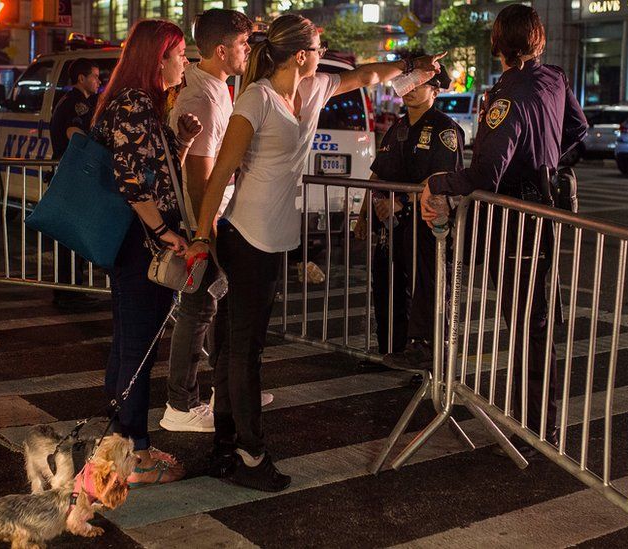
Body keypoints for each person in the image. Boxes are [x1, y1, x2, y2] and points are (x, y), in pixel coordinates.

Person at [187, 13, 444, 491]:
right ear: (300, 54)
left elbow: (368, 76)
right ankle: (249, 454)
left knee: (235, 348)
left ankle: (225, 448)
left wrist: (411, 64)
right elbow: (221, 171)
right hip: (244, 237)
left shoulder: (314, 88)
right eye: (318, 43)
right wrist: (203, 237)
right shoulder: (256, 98)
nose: (324, 49)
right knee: (243, 351)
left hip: (273, 238)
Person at [421, 4, 587, 457]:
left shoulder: (507, 94)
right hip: (545, 213)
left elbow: (485, 175)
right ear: (537, 39)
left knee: (527, 326)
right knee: (538, 324)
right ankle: (539, 425)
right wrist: (547, 163)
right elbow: (578, 128)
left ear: (498, 42)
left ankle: (532, 432)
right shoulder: (554, 78)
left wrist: (437, 182)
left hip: (515, 221)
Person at [89, 19, 203, 486]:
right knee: (138, 347)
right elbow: (132, 180)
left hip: (135, 242)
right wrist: (163, 232)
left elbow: (151, 169)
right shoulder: (135, 103)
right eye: (180, 54)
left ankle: (115, 443)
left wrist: (182, 142)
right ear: (159, 58)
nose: (187, 63)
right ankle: (133, 454)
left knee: (128, 342)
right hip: (141, 245)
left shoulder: (138, 103)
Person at [161, 9, 277, 434]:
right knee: (198, 308)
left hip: (218, 219)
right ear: (222, 49)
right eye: (244, 45)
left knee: (215, 305)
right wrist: (202, 235)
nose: (249, 51)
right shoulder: (203, 99)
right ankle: (181, 403)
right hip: (206, 224)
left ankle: (225, 389)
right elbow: (200, 178)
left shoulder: (216, 88)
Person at [353, 64, 463, 363]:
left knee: (426, 288)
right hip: (391, 226)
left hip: (425, 224)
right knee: (387, 286)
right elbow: (377, 175)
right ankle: (392, 348)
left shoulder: (444, 128)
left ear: (435, 90)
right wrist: (363, 216)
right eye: (408, 84)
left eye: (420, 84)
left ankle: (428, 350)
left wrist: (403, 201)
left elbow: (444, 179)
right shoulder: (397, 128)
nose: (411, 90)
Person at [50, 58, 103, 312]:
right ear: (81, 79)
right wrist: (99, 154)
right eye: (94, 76)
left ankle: (71, 289)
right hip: (72, 175)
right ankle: (69, 291)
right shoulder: (75, 104)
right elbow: (74, 133)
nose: (99, 80)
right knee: (71, 235)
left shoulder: (84, 101)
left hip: (74, 175)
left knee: (73, 234)